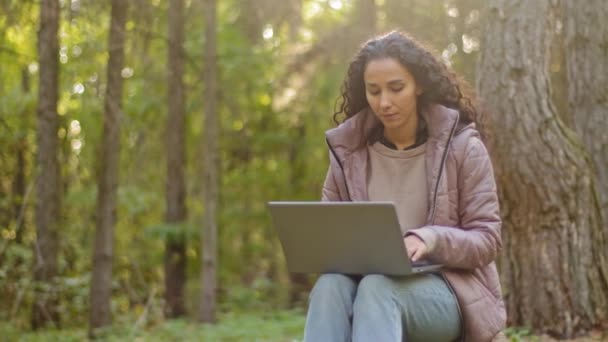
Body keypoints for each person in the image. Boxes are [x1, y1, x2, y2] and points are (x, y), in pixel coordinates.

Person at [303, 31, 506, 342]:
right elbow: (332, 235)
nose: (384, 102)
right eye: (374, 91)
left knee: (377, 288)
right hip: (367, 282)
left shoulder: (463, 147)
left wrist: (431, 239)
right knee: (329, 286)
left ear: (418, 85)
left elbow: (487, 239)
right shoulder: (349, 152)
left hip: (448, 292)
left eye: (396, 88)